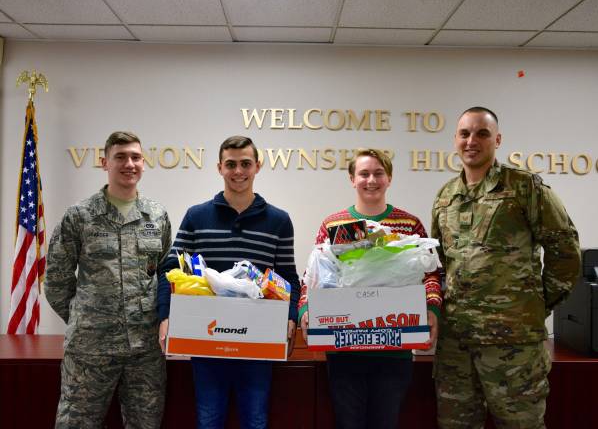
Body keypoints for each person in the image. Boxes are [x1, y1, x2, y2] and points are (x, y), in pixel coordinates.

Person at [432, 107, 581, 429]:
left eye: (482, 133)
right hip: (457, 342)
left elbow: (566, 253)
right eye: (464, 134)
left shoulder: (526, 188)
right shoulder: (446, 197)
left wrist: (533, 305)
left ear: (497, 140)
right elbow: (440, 263)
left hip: (513, 344)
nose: (472, 141)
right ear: (455, 140)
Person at [157, 135, 300, 429]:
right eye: (231, 164)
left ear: (257, 166)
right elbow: (170, 268)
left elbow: (288, 277)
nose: (238, 171)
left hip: (259, 342)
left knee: (255, 421)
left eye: (245, 164)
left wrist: (290, 318)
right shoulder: (196, 216)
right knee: (208, 421)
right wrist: (166, 316)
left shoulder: (279, 220)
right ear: (219, 168)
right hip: (207, 342)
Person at [299, 148, 442, 429]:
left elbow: (431, 274)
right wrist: (306, 308)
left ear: (389, 178)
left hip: (394, 346)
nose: (371, 180)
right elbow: (314, 275)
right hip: (344, 347)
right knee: (347, 423)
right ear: (352, 179)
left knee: (385, 423)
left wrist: (432, 307)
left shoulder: (409, 224)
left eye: (378, 173)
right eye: (364, 174)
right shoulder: (334, 224)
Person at [45, 131, 172, 428]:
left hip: (145, 349)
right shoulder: (79, 215)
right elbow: (56, 280)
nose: (130, 164)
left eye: (136, 157)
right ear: (105, 163)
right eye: (121, 157)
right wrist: (86, 316)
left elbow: (165, 274)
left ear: (143, 162)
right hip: (90, 349)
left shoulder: (157, 215)